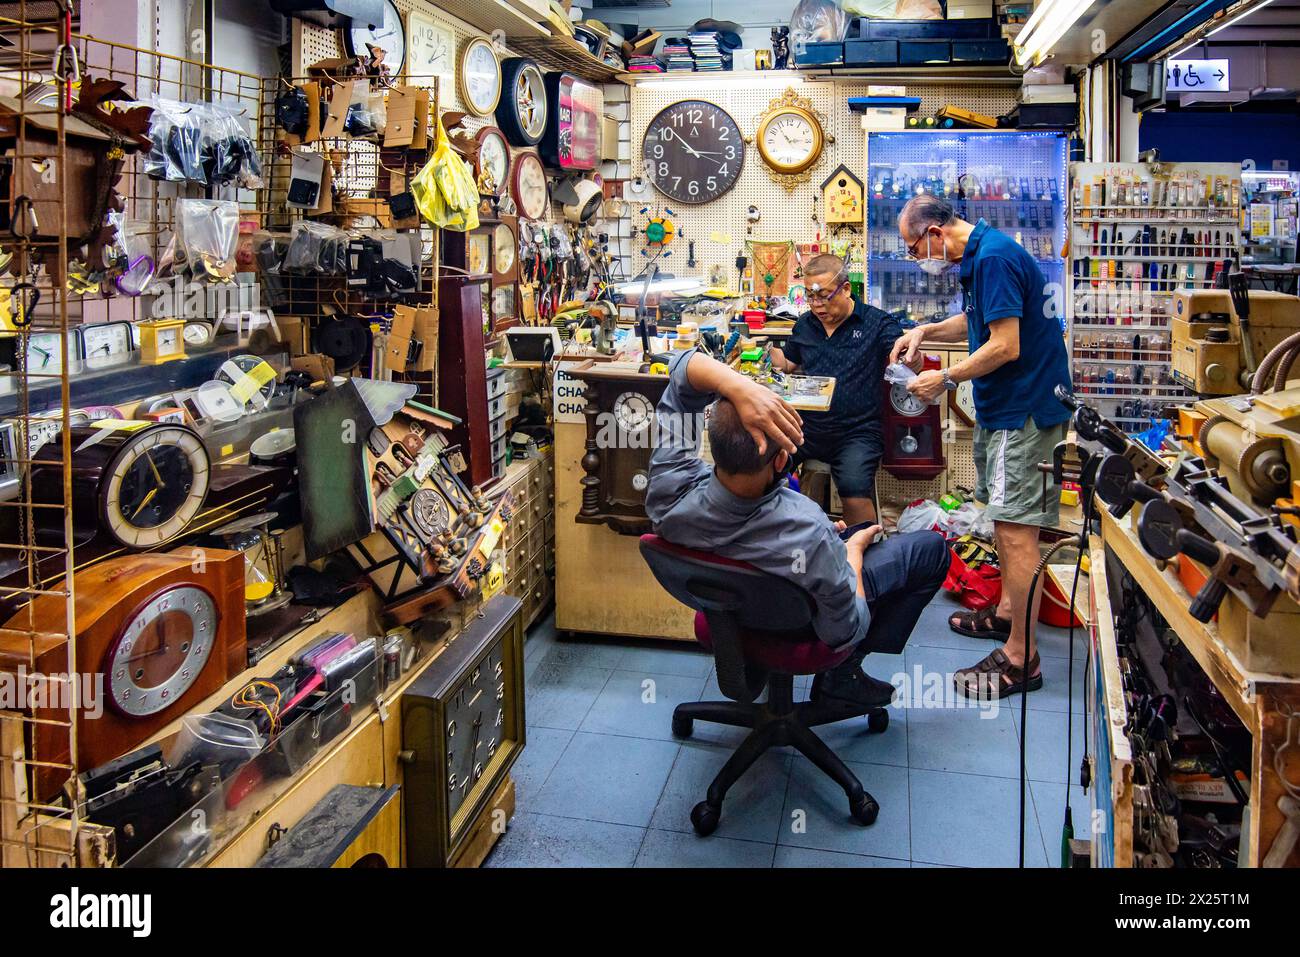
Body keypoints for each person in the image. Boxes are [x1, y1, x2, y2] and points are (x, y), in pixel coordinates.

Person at [646, 346, 951, 712]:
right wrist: (849, 554)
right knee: (930, 550)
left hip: (726, 615)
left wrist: (740, 388)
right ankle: (842, 679)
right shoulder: (809, 529)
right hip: (797, 625)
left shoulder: (669, 489)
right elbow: (844, 630)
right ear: (780, 460)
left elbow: (682, 371)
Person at [890, 194, 1073, 700]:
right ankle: (1007, 615)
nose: (916, 259)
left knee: (1016, 532)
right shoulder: (981, 257)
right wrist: (924, 330)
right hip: (1006, 409)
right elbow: (977, 326)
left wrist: (943, 379)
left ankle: (1022, 658)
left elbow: (1005, 345)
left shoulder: (991, 257)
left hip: (1024, 411)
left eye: (913, 248)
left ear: (933, 231)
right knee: (1004, 520)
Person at [769, 254, 902, 525]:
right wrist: (759, 351)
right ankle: (779, 542)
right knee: (764, 466)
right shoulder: (806, 324)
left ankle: (861, 556)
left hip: (858, 430)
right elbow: (788, 363)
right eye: (810, 296)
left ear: (846, 289)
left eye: (825, 296)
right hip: (807, 426)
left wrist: (910, 357)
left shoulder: (876, 323)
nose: (817, 305)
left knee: (853, 489)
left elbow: (902, 355)